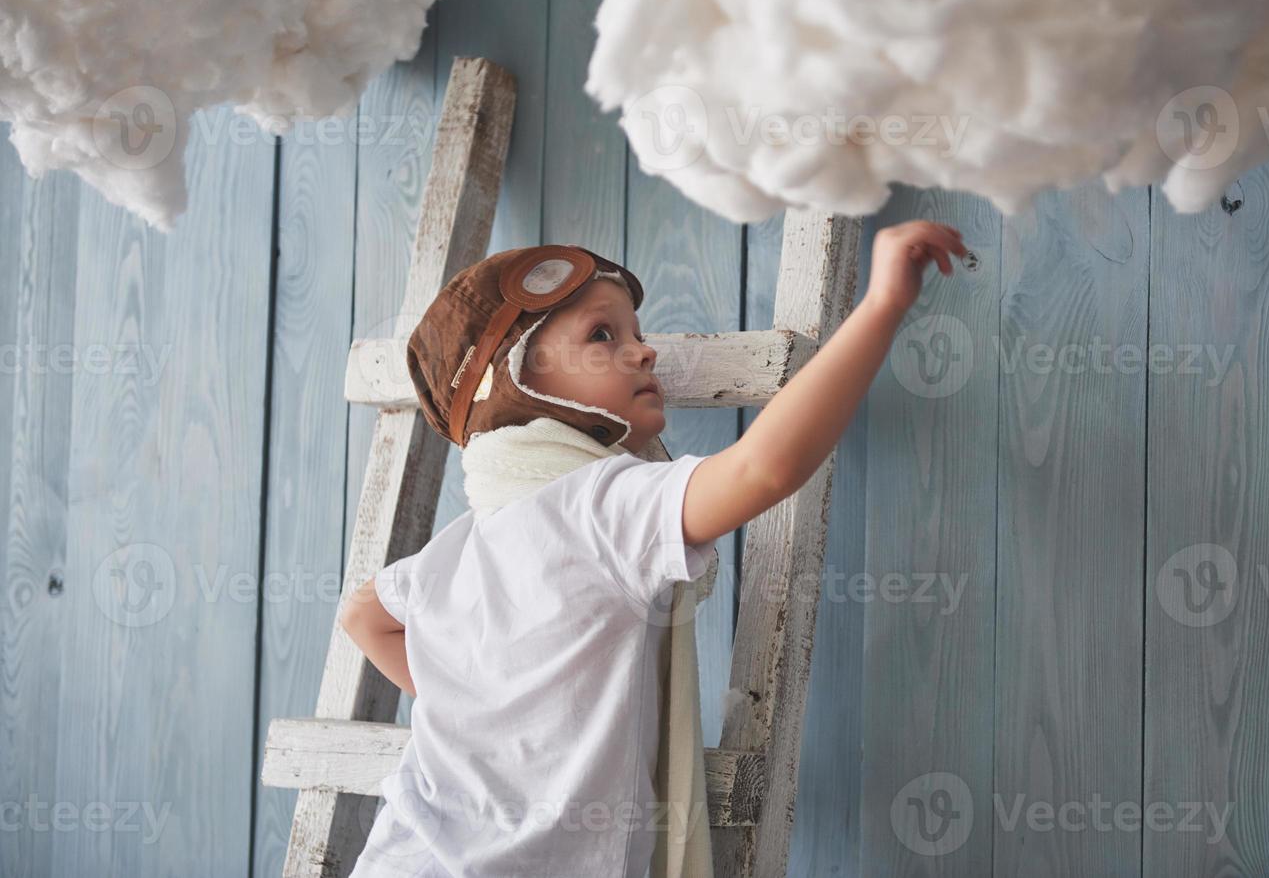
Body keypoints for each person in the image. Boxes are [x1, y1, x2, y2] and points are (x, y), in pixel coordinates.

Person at [338, 219, 967, 877]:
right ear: (511, 378)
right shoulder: (598, 508)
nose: (644, 352)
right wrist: (883, 305)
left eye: (634, 333)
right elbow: (764, 470)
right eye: (602, 335)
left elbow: (363, 616)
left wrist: (486, 722)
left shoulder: (455, 549)